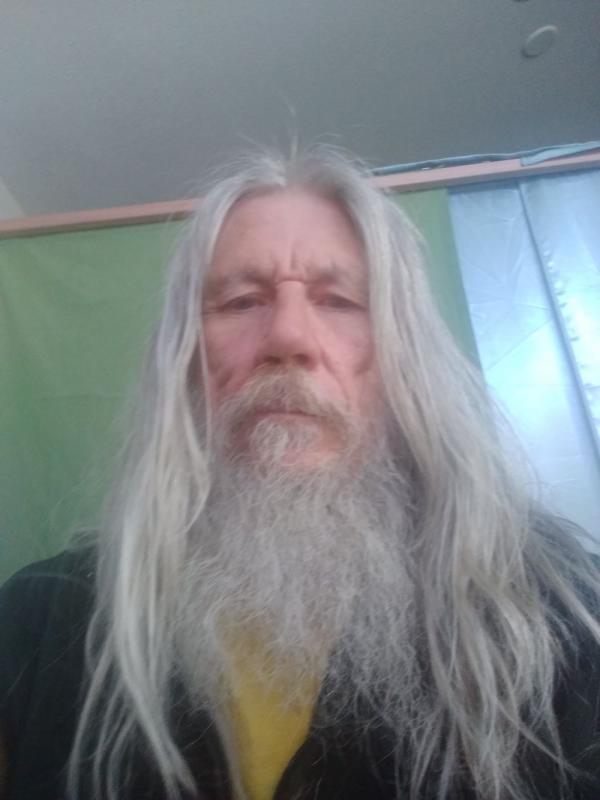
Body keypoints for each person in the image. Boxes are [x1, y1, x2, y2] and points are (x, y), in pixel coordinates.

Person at [1, 147, 600, 800]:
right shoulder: (41, 619)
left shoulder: (560, 614)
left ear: (407, 360)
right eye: (239, 302)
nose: (288, 337)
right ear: (183, 360)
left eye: (340, 301)